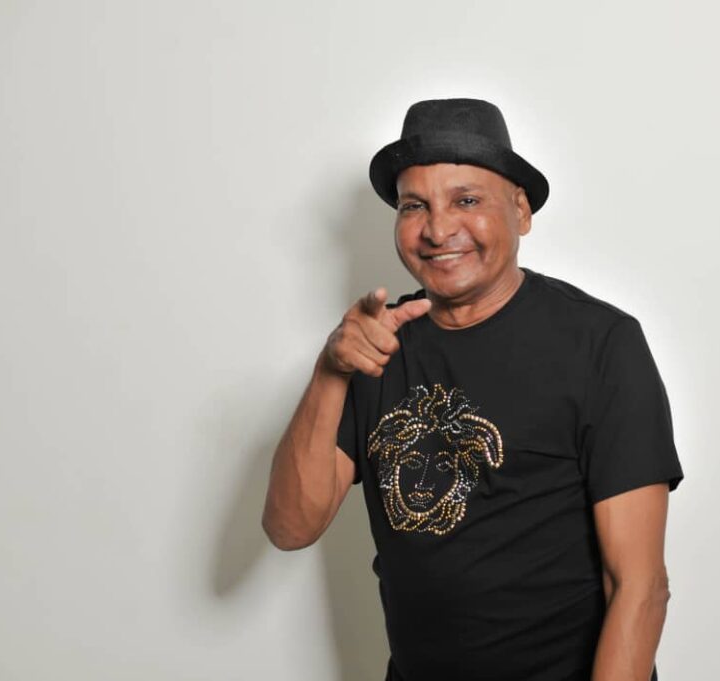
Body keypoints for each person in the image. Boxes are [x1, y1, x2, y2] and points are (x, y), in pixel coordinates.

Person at [262, 98, 684, 681]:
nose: (438, 229)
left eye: (466, 200)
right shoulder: (375, 347)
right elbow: (290, 528)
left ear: (520, 211)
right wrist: (330, 371)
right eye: (415, 205)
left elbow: (639, 587)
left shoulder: (600, 343)